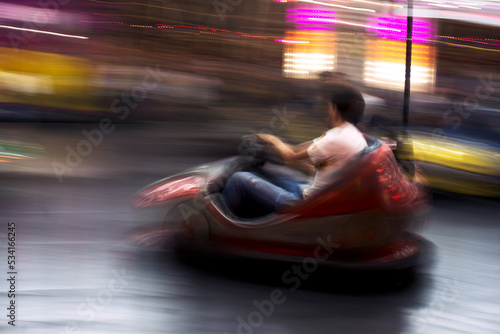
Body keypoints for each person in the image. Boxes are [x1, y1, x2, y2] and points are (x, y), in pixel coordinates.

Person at [223, 83, 368, 216]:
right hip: (320, 196)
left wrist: (272, 139)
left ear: (335, 110)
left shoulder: (335, 138)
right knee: (271, 174)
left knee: (239, 179)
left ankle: (224, 231)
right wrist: (281, 151)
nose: (326, 112)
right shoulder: (352, 135)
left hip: (304, 204)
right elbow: (302, 153)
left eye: (328, 107)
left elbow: (290, 156)